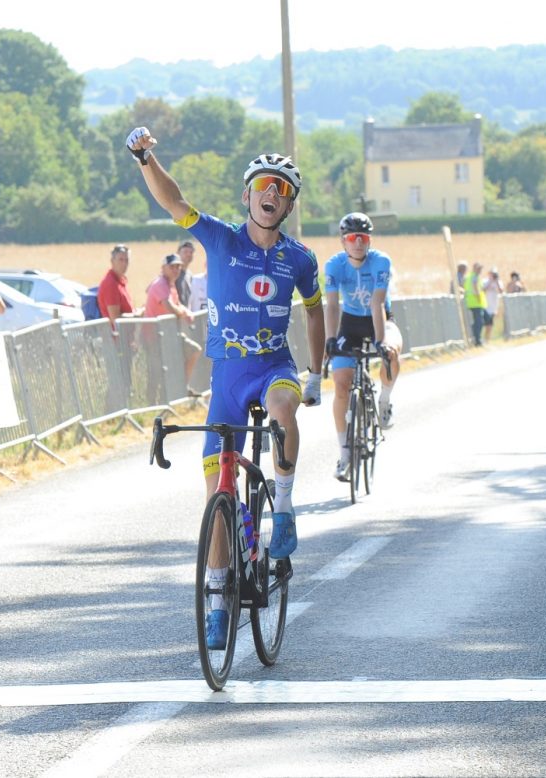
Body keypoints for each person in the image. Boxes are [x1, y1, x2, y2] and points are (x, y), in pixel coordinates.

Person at [127, 125, 326, 650]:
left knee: (285, 407)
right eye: (264, 184)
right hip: (227, 382)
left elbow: (314, 312)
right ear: (247, 194)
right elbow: (175, 202)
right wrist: (146, 158)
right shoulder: (220, 237)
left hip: (272, 369)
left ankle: (282, 511)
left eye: (282, 190)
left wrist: (315, 371)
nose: (271, 194)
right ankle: (217, 599)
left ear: (288, 206)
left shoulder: (299, 259)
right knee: (218, 496)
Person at [324, 212, 402, 481]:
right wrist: (331, 340)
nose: (358, 243)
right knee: (341, 384)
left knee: (391, 351)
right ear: (343, 241)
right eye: (352, 238)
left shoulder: (381, 261)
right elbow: (332, 305)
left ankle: (384, 400)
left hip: (379, 318)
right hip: (351, 322)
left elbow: (377, 303)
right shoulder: (334, 265)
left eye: (364, 238)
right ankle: (345, 453)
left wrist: (381, 343)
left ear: (369, 240)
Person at [146, 253, 202, 379]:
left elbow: (177, 305)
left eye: (178, 267)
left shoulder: (170, 284)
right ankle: (172, 393)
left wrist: (186, 311)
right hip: (155, 337)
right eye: (172, 267)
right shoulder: (161, 284)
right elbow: (171, 307)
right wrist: (182, 313)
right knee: (157, 374)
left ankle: (182, 388)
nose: (176, 270)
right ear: (163, 268)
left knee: (193, 350)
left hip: (168, 335)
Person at [98, 244, 139, 327]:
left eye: (127, 260)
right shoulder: (111, 284)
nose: (124, 264)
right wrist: (137, 315)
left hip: (125, 336)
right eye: (121, 260)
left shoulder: (120, 281)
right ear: (112, 261)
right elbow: (115, 319)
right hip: (116, 338)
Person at [464, 261, 487, 346]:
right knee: (479, 322)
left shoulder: (469, 276)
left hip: (472, 302)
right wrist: (479, 299)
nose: (480, 270)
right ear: (474, 269)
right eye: (479, 269)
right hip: (476, 302)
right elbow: (475, 289)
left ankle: (477, 338)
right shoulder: (474, 277)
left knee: (479, 321)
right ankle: (477, 340)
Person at [481, 267, 504, 343]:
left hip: (493, 307)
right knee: (485, 323)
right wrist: (490, 281)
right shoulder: (485, 281)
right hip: (485, 305)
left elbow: (501, 291)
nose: (493, 275)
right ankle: (483, 338)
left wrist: (496, 281)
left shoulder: (498, 282)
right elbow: (483, 290)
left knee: (490, 324)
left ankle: (487, 339)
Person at [175, 240, 198, 311]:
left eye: (191, 252)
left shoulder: (190, 274)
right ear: (178, 253)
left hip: (186, 316)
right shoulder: (173, 273)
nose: (188, 254)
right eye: (185, 252)